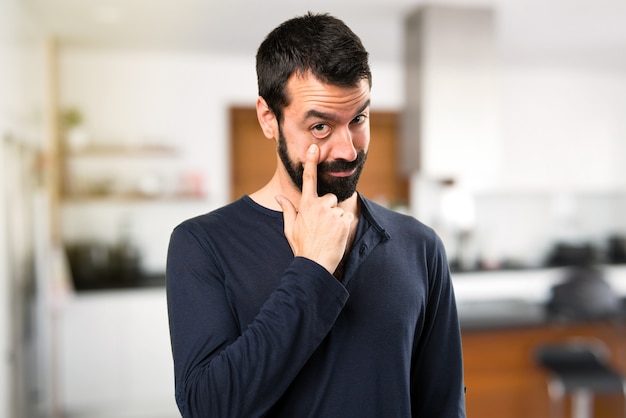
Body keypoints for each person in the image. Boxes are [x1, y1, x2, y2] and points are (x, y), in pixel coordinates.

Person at [166, 12, 466, 417]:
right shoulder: (202, 245)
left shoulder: (420, 245)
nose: (347, 149)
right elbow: (208, 407)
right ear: (268, 118)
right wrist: (311, 270)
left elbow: (443, 405)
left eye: (357, 119)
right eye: (321, 127)